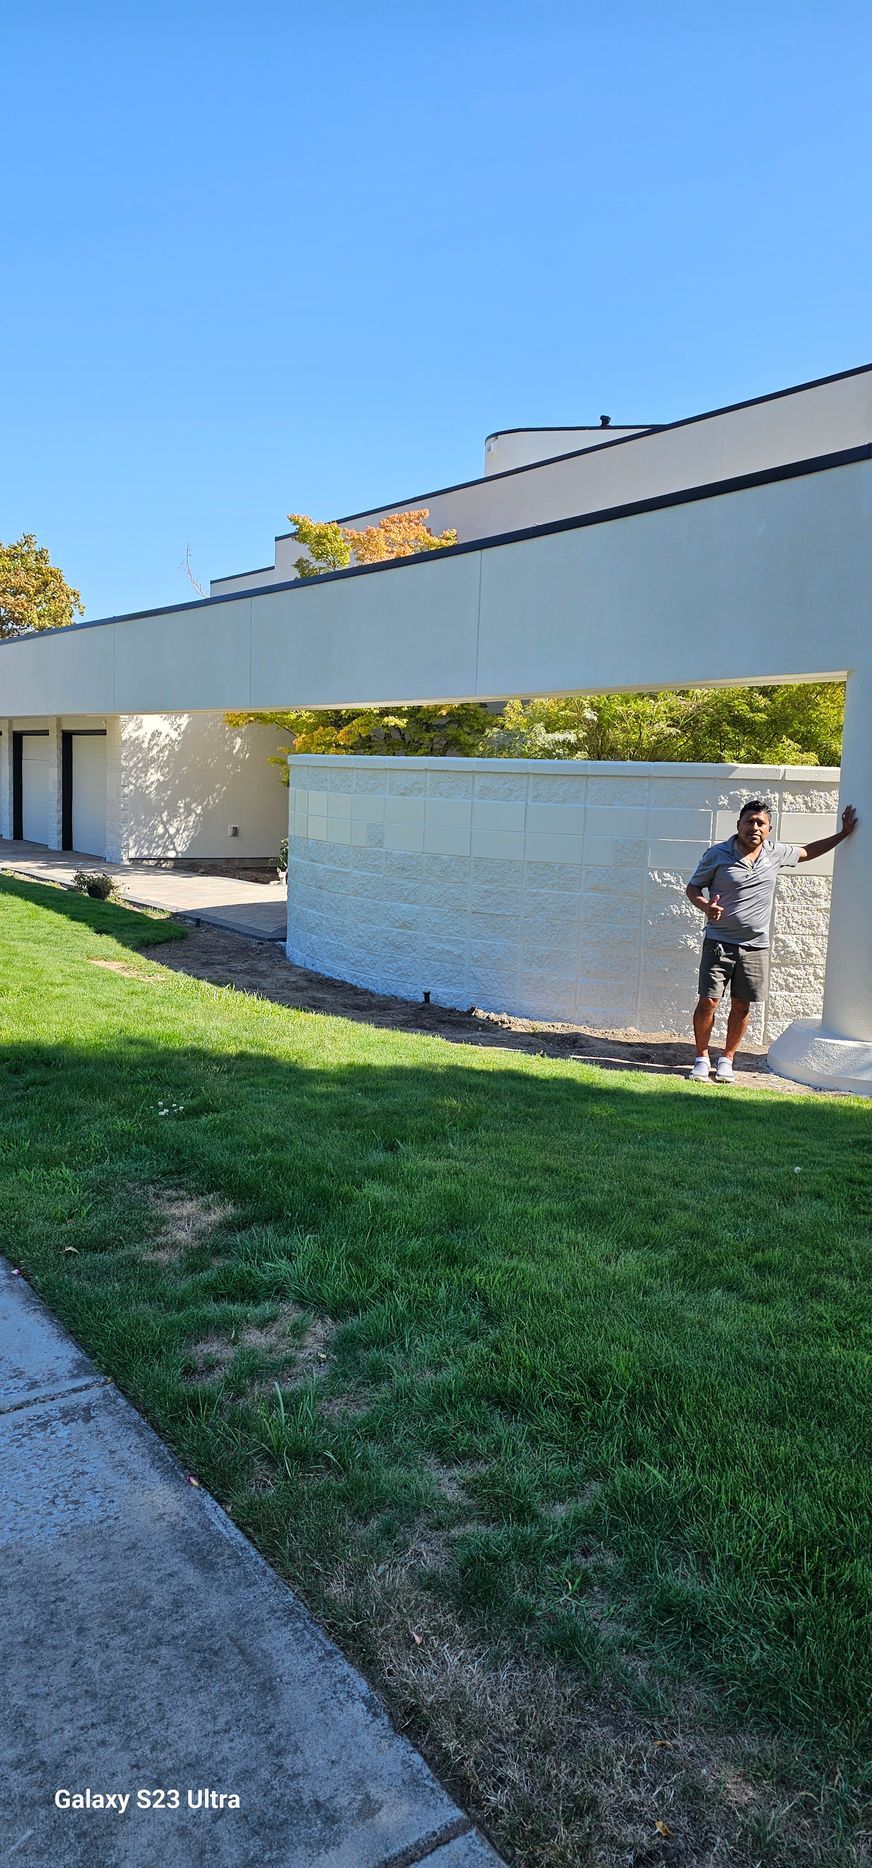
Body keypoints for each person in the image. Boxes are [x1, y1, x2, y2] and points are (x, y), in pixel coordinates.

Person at [685, 798, 859, 1082]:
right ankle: (701, 1058)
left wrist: (843, 834)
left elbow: (807, 851)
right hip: (719, 941)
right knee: (709, 1001)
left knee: (742, 1005)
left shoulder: (775, 853)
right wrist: (706, 906)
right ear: (738, 825)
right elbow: (693, 886)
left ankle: (728, 1058)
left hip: (756, 946)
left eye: (760, 823)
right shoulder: (716, 855)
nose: (754, 827)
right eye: (749, 821)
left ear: (769, 829)